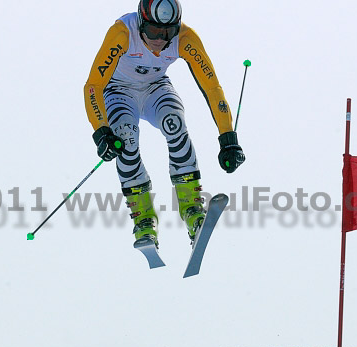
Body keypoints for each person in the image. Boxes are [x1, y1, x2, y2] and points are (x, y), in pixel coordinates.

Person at [84, 0, 245, 248]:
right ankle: (144, 219)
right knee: (125, 139)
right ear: (140, 23)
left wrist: (228, 139)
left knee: (175, 123)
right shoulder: (122, 33)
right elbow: (93, 85)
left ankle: (192, 210)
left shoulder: (186, 38)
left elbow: (212, 88)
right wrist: (101, 132)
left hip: (155, 88)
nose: (159, 40)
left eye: (167, 32)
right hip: (118, 92)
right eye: (152, 32)